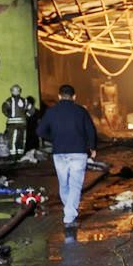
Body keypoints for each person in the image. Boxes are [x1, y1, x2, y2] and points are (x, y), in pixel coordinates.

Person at [37, 85, 97, 230]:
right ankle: (69, 216)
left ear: (59, 96)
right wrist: (92, 148)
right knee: (75, 185)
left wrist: (54, 139)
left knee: (64, 184)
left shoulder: (51, 112)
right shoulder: (81, 111)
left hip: (59, 153)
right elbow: (91, 130)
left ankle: (69, 210)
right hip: (78, 152)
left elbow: (40, 131)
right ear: (74, 97)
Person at [2, 84, 34, 158]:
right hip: (22, 123)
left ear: (11, 91)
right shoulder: (25, 101)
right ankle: (20, 155)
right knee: (21, 139)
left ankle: (13, 156)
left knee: (12, 139)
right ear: (20, 92)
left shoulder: (9, 101)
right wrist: (26, 116)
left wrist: (9, 115)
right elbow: (32, 109)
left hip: (12, 124)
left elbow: (4, 109)